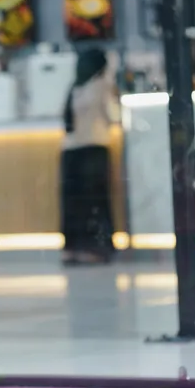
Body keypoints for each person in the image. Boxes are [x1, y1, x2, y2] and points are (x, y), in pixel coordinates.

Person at [61, 48, 119, 265]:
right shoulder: (103, 85)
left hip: (69, 151)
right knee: (95, 203)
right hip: (94, 147)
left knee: (74, 205)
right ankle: (96, 249)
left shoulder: (74, 86)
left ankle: (72, 249)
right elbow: (114, 115)